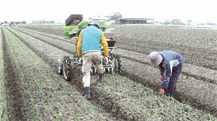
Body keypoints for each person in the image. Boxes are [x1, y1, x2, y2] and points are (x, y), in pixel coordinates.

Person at [77, 21, 109, 100]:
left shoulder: (83, 31)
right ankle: (100, 79)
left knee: (86, 73)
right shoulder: (100, 31)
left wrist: (80, 55)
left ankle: (88, 94)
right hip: (97, 52)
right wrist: (106, 55)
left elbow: (79, 44)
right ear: (97, 26)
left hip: (86, 53)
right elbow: (105, 44)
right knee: (99, 64)